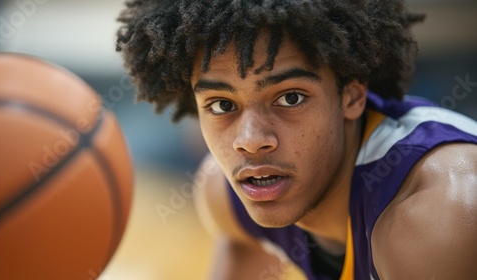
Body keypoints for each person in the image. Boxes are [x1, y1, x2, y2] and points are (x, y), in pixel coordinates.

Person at [116, 1, 477, 279]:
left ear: (352, 96)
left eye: (290, 98)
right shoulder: (228, 197)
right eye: (223, 104)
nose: (251, 141)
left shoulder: (435, 217)